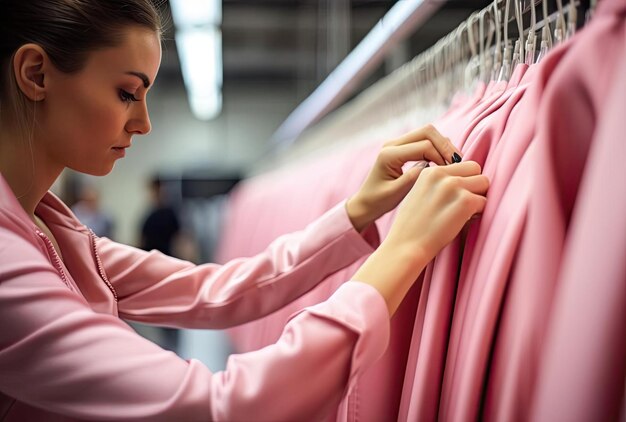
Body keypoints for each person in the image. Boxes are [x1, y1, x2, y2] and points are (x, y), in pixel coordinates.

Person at [0, 1, 489, 420]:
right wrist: (404, 250)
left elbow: (216, 291)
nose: (144, 123)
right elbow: (224, 407)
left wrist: (360, 210)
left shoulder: (53, 232)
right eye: (128, 93)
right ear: (36, 74)